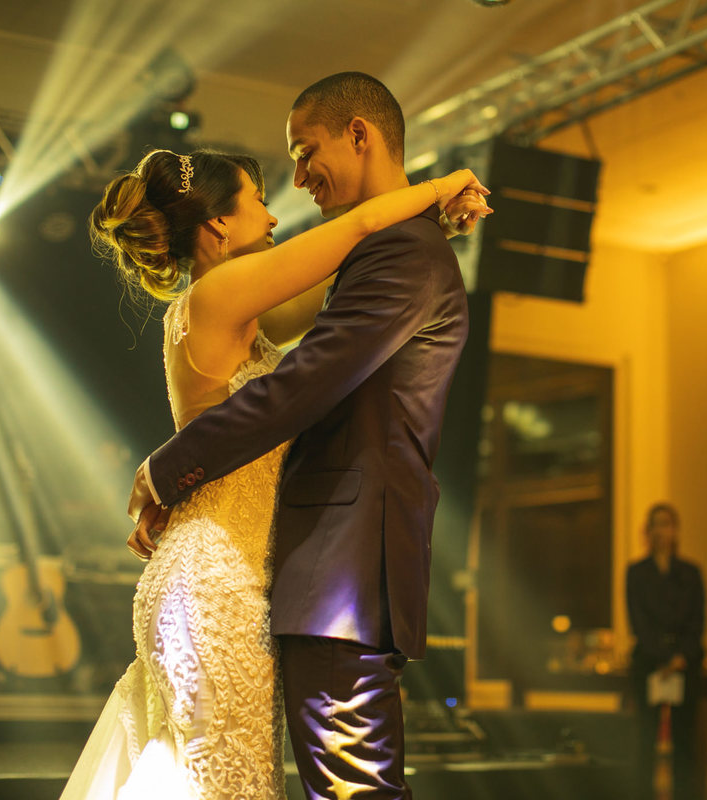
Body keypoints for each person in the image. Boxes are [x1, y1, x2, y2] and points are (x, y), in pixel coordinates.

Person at [59, 134, 488, 797]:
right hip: (219, 580)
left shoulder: (232, 304)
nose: (276, 214)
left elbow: (349, 288)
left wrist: (434, 224)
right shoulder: (222, 290)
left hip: (219, 567)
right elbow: (362, 225)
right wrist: (443, 183)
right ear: (218, 224)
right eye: (260, 200)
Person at [625, 502, 705, 800]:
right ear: (648, 531)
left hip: (685, 664)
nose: (662, 530)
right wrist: (661, 657)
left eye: (667, 523)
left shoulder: (690, 572)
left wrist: (681, 656)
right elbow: (638, 620)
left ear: (675, 530)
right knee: (646, 740)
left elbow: (697, 620)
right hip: (650, 663)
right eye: (656, 524)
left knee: (685, 742)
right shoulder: (636, 572)